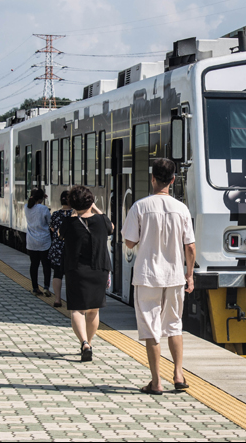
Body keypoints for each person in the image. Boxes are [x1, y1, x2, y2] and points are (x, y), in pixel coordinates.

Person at [121, 158, 196, 395]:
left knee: (151, 329)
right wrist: (190, 275)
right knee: (175, 325)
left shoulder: (139, 207)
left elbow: (129, 241)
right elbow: (191, 246)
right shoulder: (182, 209)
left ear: (152, 178)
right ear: (173, 180)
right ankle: (178, 374)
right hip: (174, 277)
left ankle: (156, 382)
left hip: (147, 276)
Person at [60, 186, 113, 362]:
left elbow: (61, 234)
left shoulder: (69, 223)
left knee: (77, 309)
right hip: (99, 269)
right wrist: (95, 207)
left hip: (76, 270)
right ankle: (88, 343)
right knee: (93, 310)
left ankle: (84, 343)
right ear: (90, 202)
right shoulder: (102, 221)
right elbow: (111, 227)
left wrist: (76, 211)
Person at [24, 188, 53, 297]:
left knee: (34, 265)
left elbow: (33, 202)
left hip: (31, 241)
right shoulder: (44, 209)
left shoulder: (26, 207)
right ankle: (46, 287)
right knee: (46, 265)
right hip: (44, 241)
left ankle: (35, 288)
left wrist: (39, 197)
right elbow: (50, 222)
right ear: (42, 198)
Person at [48, 191, 71, 308]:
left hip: (57, 248)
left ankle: (57, 299)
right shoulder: (75, 215)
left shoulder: (56, 214)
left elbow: (52, 228)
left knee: (57, 273)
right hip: (71, 249)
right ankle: (70, 300)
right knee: (71, 275)